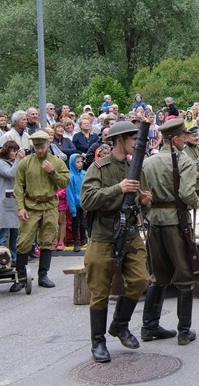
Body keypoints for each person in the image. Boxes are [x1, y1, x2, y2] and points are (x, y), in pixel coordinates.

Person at [80, 121, 151, 362]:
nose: (136, 143)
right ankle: (98, 342)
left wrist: (144, 200)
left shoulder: (135, 166)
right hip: (103, 233)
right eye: (132, 138)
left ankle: (120, 324)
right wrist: (118, 189)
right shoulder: (99, 167)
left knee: (141, 279)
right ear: (119, 140)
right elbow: (87, 201)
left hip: (129, 230)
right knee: (99, 290)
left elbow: (143, 197)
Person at [140, 118, 199, 344]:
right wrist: (195, 202)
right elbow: (186, 194)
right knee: (184, 276)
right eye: (183, 136)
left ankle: (149, 327)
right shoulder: (184, 160)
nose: (185, 140)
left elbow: (143, 196)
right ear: (174, 139)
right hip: (176, 223)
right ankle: (184, 331)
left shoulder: (149, 161)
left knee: (158, 276)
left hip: (154, 223)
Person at [9, 130, 70, 293]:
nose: (39, 150)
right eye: (36, 147)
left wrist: (52, 172)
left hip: (50, 206)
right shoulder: (26, 163)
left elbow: (65, 182)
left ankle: (43, 275)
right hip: (31, 206)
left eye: (42, 147)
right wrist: (20, 207)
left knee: (47, 240)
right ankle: (21, 277)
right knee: (23, 242)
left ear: (48, 144)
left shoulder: (57, 162)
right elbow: (18, 188)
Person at [0, 141, 24, 263]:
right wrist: (18, 160)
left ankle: (14, 258)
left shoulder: (15, 162)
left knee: (15, 232)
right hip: (4, 203)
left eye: (16, 150)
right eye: (13, 150)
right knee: (3, 233)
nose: (15, 153)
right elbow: (11, 173)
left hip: (15, 201)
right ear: (6, 151)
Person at [66, 154, 86, 252]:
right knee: (75, 223)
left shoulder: (84, 174)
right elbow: (69, 194)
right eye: (77, 162)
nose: (80, 164)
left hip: (84, 203)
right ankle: (76, 241)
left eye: (81, 162)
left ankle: (83, 239)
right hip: (75, 204)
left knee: (83, 223)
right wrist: (72, 209)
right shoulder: (70, 177)